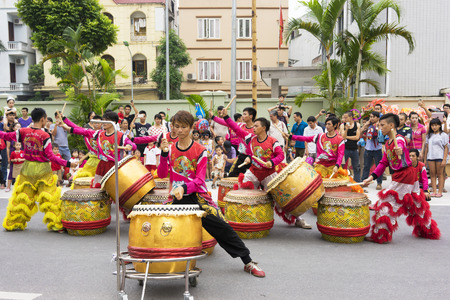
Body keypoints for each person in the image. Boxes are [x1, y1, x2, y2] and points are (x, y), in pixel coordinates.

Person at [158, 110, 266, 277]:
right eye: (176, 126)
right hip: (176, 197)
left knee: (222, 227)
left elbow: (200, 180)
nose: (179, 130)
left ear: (191, 127)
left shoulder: (200, 150)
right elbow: (161, 173)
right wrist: (164, 154)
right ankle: (144, 254)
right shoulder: (170, 148)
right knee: (157, 221)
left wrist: (184, 188)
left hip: (198, 197)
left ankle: (248, 261)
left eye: (183, 127)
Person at [221, 111, 311, 228]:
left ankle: (298, 219)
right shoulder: (250, 138)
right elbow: (236, 129)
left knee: (280, 198)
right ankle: (241, 217)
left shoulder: (273, 141)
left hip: (269, 173)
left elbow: (280, 155)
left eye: (256, 126)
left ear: (264, 128)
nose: (253, 128)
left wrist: (271, 162)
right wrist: (226, 117)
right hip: (254, 172)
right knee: (242, 190)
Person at [362, 113, 440, 243]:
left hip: (404, 176)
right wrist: (372, 177)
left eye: (382, 125)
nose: (379, 128)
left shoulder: (399, 140)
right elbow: (383, 163)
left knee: (385, 204)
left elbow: (402, 146)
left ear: (391, 125)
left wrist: (401, 151)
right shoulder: (388, 143)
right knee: (416, 203)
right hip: (408, 175)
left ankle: (381, 235)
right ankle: (427, 230)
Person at [1, 108, 76, 231]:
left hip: (27, 169)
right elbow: (51, 156)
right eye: (46, 119)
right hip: (43, 170)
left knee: (23, 197)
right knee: (49, 198)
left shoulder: (23, 131)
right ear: (42, 119)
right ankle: (57, 225)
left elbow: (6, 135)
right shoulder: (45, 135)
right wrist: (68, 163)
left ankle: (12, 223)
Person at [61, 111, 136, 187]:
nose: (104, 123)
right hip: (102, 165)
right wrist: (68, 128)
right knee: (97, 188)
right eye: (103, 120)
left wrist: (130, 146)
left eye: (106, 120)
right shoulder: (99, 133)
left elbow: (133, 145)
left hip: (114, 166)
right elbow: (83, 131)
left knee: (113, 188)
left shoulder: (121, 136)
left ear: (113, 122)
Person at [211, 107, 256, 177]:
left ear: (251, 116)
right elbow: (225, 123)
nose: (243, 116)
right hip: (241, 156)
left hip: (253, 157)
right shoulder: (240, 125)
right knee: (232, 176)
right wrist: (213, 117)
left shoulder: (256, 130)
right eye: (242, 114)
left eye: (245, 114)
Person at [423, 118, 448, 198]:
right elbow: (426, 148)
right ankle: (434, 191)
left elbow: (446, 148)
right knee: (432, 174)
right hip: (430, 157)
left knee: (440, 175)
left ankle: (439, 191)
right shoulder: (429, 135)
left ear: (439, 125)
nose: (434, 127)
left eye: (436, 125)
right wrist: (425, 159)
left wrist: (444, 159)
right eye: (432, 125)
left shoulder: (443, 135)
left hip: (440, 157)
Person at [361, 111, 383, 190]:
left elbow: (381, 136)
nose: (372, 118)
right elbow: (360, 133)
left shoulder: (381, 125)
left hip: (377, 149)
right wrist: (365, 126)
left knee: (379, 167)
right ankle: (364, 181)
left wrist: (377, 128)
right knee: (366, 166)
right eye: (370, 117)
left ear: (378, 118)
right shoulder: (368, 125)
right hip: (368, 149)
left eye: (373, 117)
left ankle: (379, 183)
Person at [340, 111, 361, 182]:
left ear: (351, 117)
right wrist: (346, 130)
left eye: (346, 117)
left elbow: (357, 137)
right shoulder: (342, 125)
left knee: (356, 166)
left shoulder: (357, 125)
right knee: (342, 165)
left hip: (354, 148)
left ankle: (357, 181)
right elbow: (342, 137)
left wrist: (347, 137)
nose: (344, 119)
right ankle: (341, 180)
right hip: (345, 148)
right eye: (344, 117)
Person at [0, 109, 18, 189]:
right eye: (10, 115)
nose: (12, 116)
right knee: (5, 164)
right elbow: (4, 129)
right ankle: (3, 181)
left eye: (13, 115)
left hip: (15, 146)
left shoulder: (16, 124)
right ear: (7, 116)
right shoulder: (3, 124)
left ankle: (15, 180)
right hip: (5, 145)